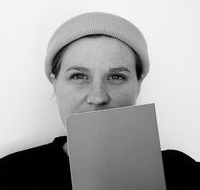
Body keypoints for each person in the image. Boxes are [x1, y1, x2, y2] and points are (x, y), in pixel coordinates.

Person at [0, 12, 199, 189]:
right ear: (54, 83)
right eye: (78, 76)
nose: (98, 97)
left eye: (116, 76)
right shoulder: (10, 175)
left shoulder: (182, 173)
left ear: (138, 84)